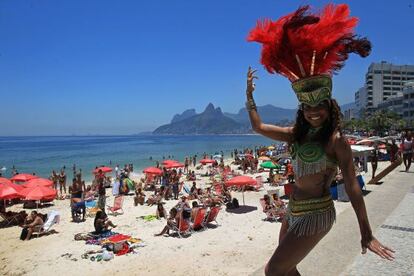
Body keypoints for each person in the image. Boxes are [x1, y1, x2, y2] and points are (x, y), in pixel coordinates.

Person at [246, 4, 394, 275]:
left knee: (273, 270)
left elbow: (352, 185)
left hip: (317, 213)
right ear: (301, 109)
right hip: (294, 210)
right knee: (288, 270)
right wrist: (249, 96)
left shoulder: (336, 141)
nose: (314, 112)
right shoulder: (296, 134)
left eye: (319, 106)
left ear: (330, 106)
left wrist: (366, 232)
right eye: (308, 107)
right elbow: (258, 127)